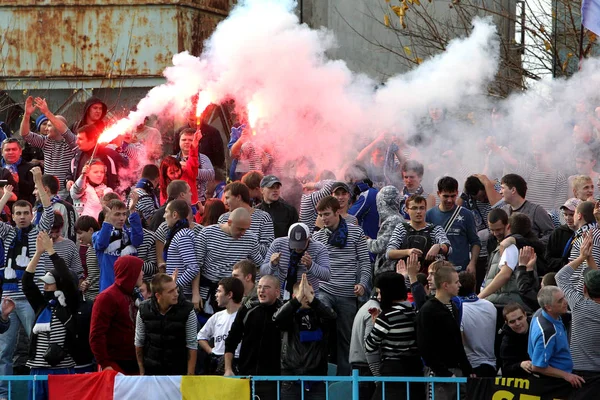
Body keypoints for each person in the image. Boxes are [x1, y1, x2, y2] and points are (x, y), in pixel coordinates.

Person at [0, 168, 54, 399]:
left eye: (26, 213)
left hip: (32, 298)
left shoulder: (40, 232)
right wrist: (4, 197)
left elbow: (49, 210)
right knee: (3, 350)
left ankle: (38, 392)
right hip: (8, 297)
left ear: (32, 215)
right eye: (18, 213)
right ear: (12, 216)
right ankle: (3, 394)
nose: (22, 216)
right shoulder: (7, 233)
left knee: (38, 346)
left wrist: (39, 181)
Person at [312, 196, 371, 376]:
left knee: (347, 340)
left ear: (338, 212)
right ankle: (320, 375)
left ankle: (346, 382)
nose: (324, 218)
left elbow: (365, 262)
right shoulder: (317, 237)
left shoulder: (356, 232)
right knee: (318, 330)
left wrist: (362, 283)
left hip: (347, 293)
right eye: (321, 215)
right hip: (325, 291)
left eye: (327, 214)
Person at [23, 232, 79, 399]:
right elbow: (27, 282)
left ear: (59, 284)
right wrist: (38, 252)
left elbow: (68, 279)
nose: (45, 287)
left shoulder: (70, 304)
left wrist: (51, 251)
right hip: (37, 368)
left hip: (63, 368)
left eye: (49, 283)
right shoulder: (42, 305)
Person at [274, 274, 336, 400]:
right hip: (291, 379)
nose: (308, 297)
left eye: (311, 293)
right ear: (294, 296)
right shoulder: (289, 315)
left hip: (317, 379)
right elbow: (277, 318)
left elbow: (332, 317)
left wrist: (313, 301)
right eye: (304, 294)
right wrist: (296, 301)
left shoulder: (319, 315)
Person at [416, 265, 473, 399]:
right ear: (445, 285)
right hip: (439, 374)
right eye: (456, 282)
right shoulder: (428, 310)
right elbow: (424, 346)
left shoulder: (454, 307)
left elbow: (457, 341)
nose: (460, 285)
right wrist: (442, 372)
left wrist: (467, 368)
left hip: (456, 370)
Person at [365, 272, 423, 400]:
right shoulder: (415, 312)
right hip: (416, 370)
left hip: (393, 374)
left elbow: (369, 346)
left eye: (380, 293)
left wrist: (376, 324)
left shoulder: (386, 317)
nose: (378, 297)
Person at [193, 208, 263, 313]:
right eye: (240, 229)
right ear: (229, 222)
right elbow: (196, 266)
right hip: (208, 292)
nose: (243, 233)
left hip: (235, 296)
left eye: (246, 229)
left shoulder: (250, 238)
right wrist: (195, 293)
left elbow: (259, 265)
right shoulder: (207, 234)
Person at [224, 275, 282, 400]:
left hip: (274, 379)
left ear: (277, 292)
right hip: (247, 377)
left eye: (266, 288)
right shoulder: (247, 310)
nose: (261, 291)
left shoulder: (284, 311)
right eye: (259, 287)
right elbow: (231, 340)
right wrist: (228, 368)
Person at [555, 232, 600, 377]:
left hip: (579, 372)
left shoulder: (579, 305)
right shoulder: (580, 303)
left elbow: (560, 277)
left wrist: (582, 257)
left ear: (584, 288)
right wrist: (590, 258)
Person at [89, 255, 143, 374]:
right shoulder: (107, 298)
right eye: (139, 270)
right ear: (131, 272)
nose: (142, 273)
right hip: (115, 364)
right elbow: (97, 335)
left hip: (134, 361)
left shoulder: (134, 296)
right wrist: (106, 363)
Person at [135, 272, 197, 376]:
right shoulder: (143, 309)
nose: (176, 293)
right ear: (158, 295)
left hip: (178, 370)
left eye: (176, 289)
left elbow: (192, 344)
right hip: (152, 370)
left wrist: (190, 375)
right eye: (170, 291)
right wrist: (141, 370)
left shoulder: (188, 310)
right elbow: (139, 341)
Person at [20, 97, 78, 199]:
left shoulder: (71, 142)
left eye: (50, 125)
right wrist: (27, 114)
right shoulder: (45, 141)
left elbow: (65, 131)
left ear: (59, 126)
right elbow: (25, 134)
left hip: (64, 191)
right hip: (46, 190)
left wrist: (47, 112)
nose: (46, 128)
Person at [528, 286, 584, 388]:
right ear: (548, 307)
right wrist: (566, 375)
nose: (566, 302)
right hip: (555, 382)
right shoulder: (547, 332)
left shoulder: (541, 312)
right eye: (560, 301)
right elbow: (537, 366)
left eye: (564, 297)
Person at [260, 223, 330, 299]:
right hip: (282, 295)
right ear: (288, 238)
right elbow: (263, 272)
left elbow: (326, 276)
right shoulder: (278, 244)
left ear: (308, 238)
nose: (297, 248)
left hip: (308, 297)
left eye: (301, 244)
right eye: (295, 244)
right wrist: (272, 264)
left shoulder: (319, 248)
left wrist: (311, 265)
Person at [426, 176, 481, 273]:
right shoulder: (429, 215)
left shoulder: (466, 214)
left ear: (457, 193)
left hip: (460, 269)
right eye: (446, 196)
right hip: (437, 270)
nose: (450, 200)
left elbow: (475, 242)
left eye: (453, 196)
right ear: (439, 194)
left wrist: (472, 263)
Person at [386, 195, 451, 274]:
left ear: (425, 209)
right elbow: (389, 253)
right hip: (404, 276)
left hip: (428, 277)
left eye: (421, 208)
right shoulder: (402, 228)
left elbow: (449, 249)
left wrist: (438, 247)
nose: (418, 211)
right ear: (406, 210)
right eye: (414, 208)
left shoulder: (435, 229)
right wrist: (408, 252)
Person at [92, 196, 143, 292]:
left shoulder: (128, 233)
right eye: (117, 214)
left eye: (124, 214)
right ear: (107, 215)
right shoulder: (97, 235)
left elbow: (138, 240)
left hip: (130, 290)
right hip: (109, 290)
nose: (122, 218)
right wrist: (107, 221)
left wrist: (132, 211)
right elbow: (101, 243)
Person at [197, 277, 244, 375]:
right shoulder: (217, 317)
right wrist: (211, 351)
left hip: (238, 360)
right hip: (217, 360)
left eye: (219, 291)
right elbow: (201, 337)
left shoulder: (245, 315)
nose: (216, 295)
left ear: (230, 295)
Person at [218, 182, 275, 258]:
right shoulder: (224, 218)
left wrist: (247, 242)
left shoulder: (263, 218)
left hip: (253, 267)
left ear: (238, 197)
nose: (225, 202)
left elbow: (268, 250)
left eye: (227, 198)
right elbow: (219, 246)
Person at [458, 271, 497, 377]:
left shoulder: (459, 310)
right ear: (475, 285)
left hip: (471, 368)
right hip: (491, 366)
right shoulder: (490, 306)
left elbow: (459, 343)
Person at [66, 124, 125, 192]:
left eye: (80, 139)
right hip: (77, 200)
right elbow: (69, 174)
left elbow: (126, 175)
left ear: (92, 140)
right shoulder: (77, 155)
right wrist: (68, 181)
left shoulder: (110, 155)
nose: (76, 142)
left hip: (102, 200)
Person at [500, 173, 554, 244]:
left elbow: (551, 234)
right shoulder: (504, 211)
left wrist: (532, 244)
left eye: (503, 188)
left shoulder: (536, 210)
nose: (500, 192)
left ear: (513, 190)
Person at [162, 199, 197, 298]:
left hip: (182, 295)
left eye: (166, 212)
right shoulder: (178, 234)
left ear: (174, 215)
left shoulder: (183, 236)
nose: (164, 216)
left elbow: (192, 268)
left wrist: (174, 287)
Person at [349, 290, 380, 400]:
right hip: (366, 367)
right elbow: (369, 344)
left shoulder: (366, 306)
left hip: (359, 366)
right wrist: (377, 376)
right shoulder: (374, 310)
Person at [368, 186, 404, 277]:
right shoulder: (397, 218)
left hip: (388, 271)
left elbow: (380, 246)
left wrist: (366, 241)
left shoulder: (393, 220)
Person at [173, 128, 214, 203]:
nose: (187, 142)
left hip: (199, 200)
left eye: (190, 140)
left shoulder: (203, 158)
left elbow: (211, 174)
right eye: (184, 140)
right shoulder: (172, 159)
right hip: (176, 200)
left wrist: (190, 169)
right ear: (179, 141)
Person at [33, 174, 77, 243]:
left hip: (60, 252)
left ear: (45, 189)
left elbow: (71, 237)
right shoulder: (38, 208)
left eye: (36, 189)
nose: (33, 192)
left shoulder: (65, 208)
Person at [546, 198, 581, 273]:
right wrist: (565, 263)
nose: (568, 218)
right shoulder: (558, 233)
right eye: (565, 214)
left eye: (571, 214)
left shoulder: (585, 233)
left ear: (580, 215)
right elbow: (548, 258)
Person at [499, 303, 532, 377]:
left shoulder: (538, 327)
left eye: (520, 318)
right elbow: (506, 369)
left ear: (525, 315)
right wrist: (520, 365)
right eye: (512, 322)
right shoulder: (507, 343)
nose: (517, 323)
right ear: (507, 323)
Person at [1, 138, 36, 205]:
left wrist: (19, 181)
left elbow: (33, 191)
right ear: (2, 152)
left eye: (14, 149)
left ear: (20, 152)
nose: (11, 152)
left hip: (21, 207)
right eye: (7, 150)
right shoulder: (1, 169)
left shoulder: (30, 168)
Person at [74, 216, 101, 302]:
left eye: (80, 233)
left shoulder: (101, 248)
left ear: (91, 230)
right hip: (90, 296)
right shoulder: (89, 249)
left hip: (100, 296)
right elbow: (93, 274)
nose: (78, 237)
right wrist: (86, 282)